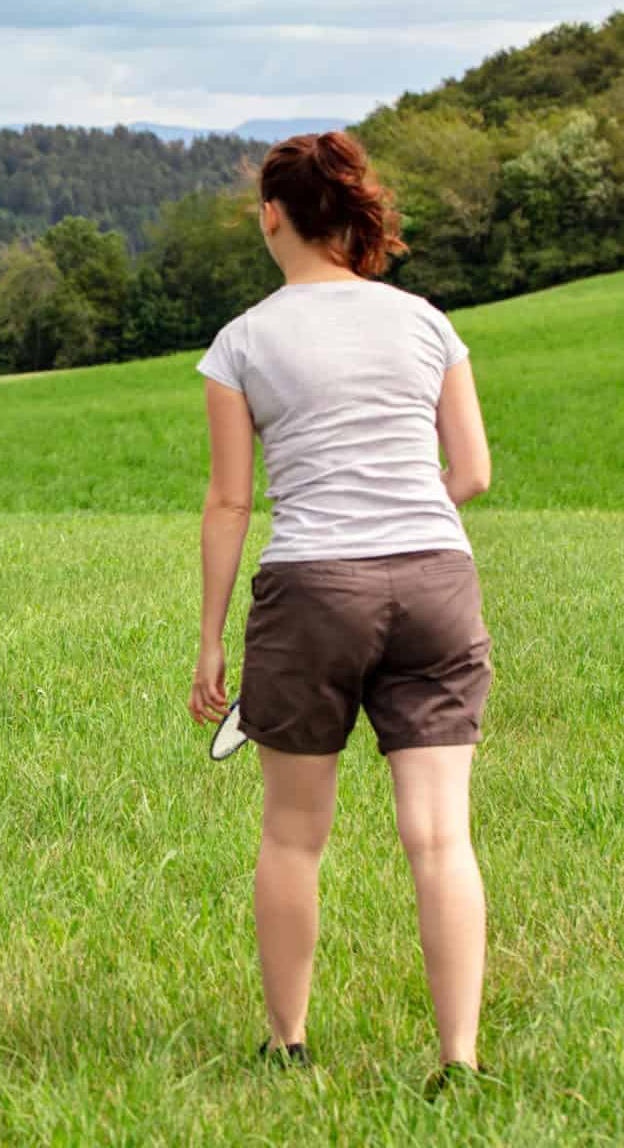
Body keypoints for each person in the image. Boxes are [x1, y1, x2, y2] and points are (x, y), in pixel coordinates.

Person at [188, 133, 493, 1081]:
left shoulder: (243, 340)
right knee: (441, 836)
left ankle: (288, 1047)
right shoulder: (424, 322)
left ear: (273, 215)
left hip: (313, 589)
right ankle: (460, 1059)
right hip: (438, 578)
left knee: (292, 833)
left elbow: (232, 501)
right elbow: (473, 472)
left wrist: (208, 640)